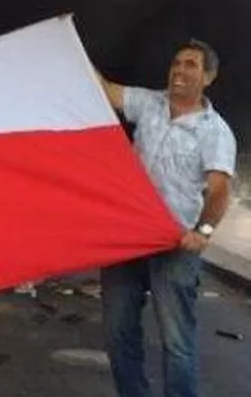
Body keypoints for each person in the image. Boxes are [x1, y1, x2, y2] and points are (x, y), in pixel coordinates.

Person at [98, 39, 236, 397]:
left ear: (208, 76)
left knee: (177, 343)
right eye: (177, 62)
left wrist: (202, 231)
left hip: (175, 243)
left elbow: (219, 190)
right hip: (127, 239)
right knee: (118, 334)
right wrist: (66, 49)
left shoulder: (215, 131)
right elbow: (105, 91)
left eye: (191, 65)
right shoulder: (149, 104)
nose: (179, 70)